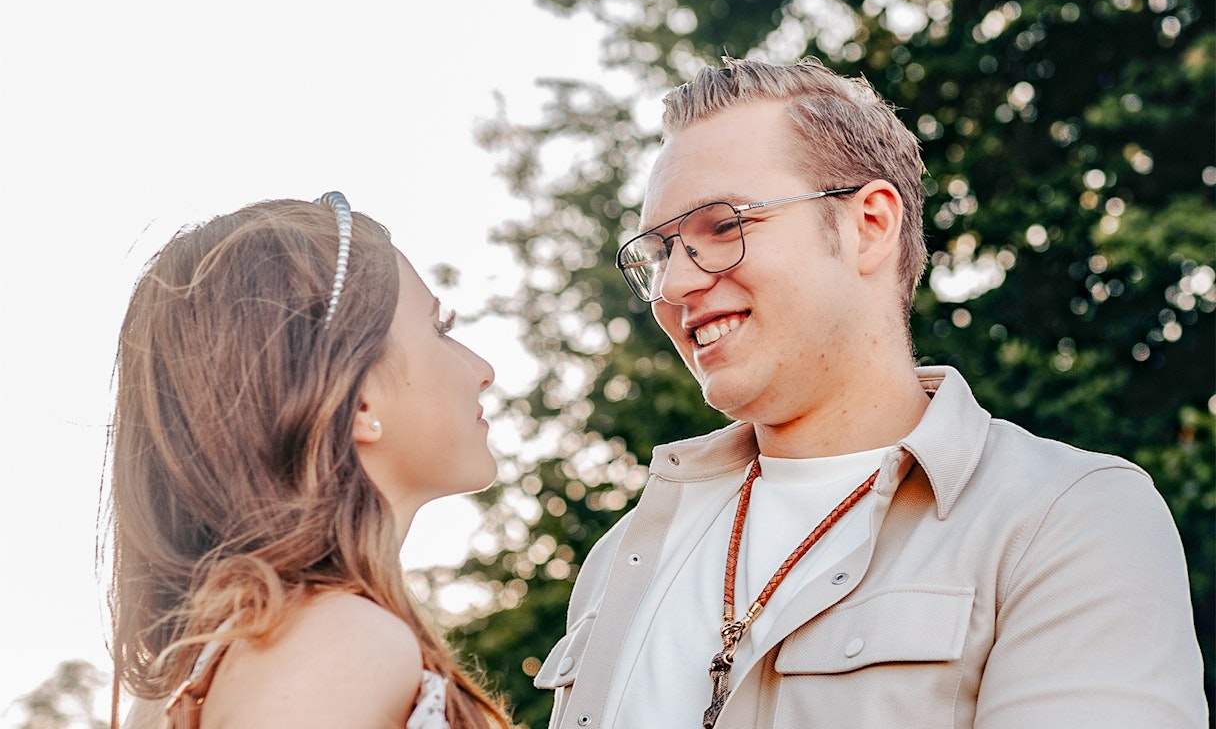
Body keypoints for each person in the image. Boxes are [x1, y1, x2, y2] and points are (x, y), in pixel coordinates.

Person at [534, 58, 1207, 728]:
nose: (676, 285)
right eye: (659, 251)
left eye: (723, 227)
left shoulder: (1064, 519)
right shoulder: (621, 557)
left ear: (871, 226)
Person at [106, 193, 513, 728]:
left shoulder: (224, 657)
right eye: (439, 328)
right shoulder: (338, 642)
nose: (482, 369)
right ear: (359, 398)